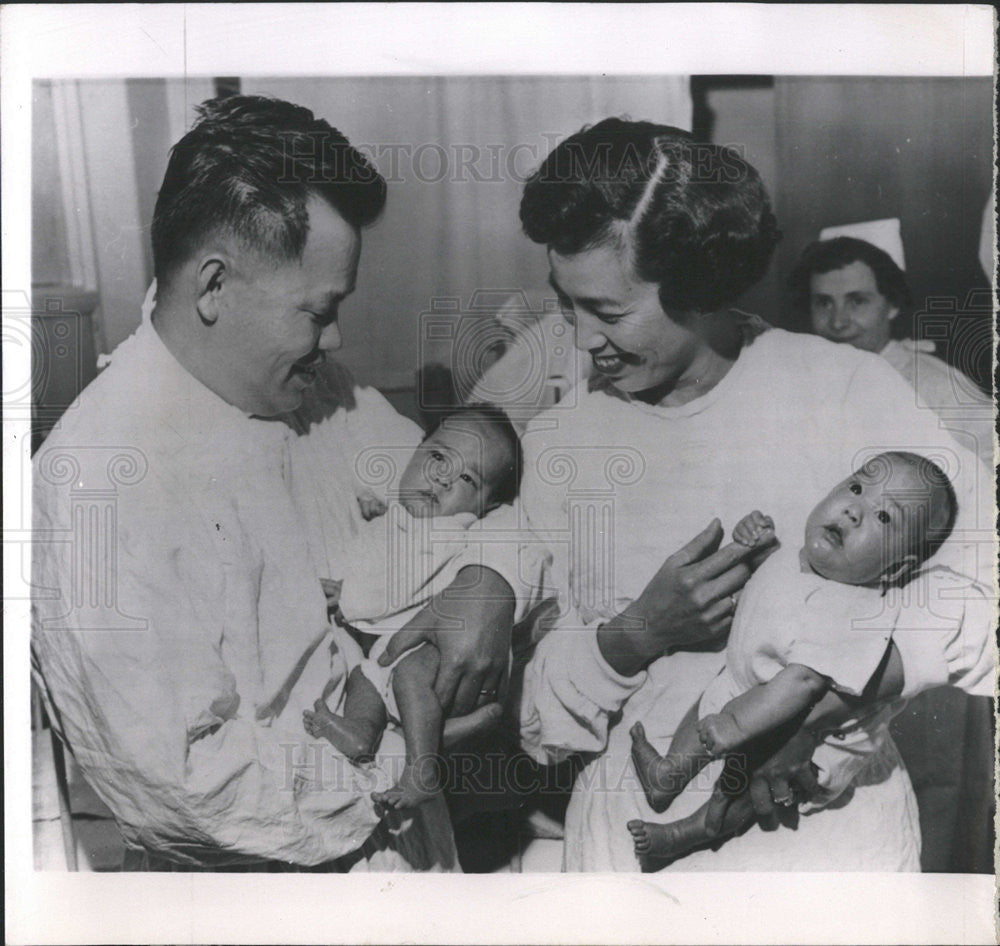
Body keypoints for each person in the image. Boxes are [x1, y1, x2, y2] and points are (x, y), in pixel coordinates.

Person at [31, 95, 519, 871]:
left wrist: (494, 579)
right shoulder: (94, 484)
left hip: (408, 862)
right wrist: (400, 761)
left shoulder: (321, 394)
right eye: (319, 311)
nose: (338, 339)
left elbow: (479, 496)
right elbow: (186, 788)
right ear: (215, 287)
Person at [515, 118, 994, 871]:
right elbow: (539, 725)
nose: (579, 340)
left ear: (702, 287)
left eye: (607, 313)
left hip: (825, 856)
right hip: (631, 862)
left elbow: (987, 592)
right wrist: (638, 634)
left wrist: (831, 701)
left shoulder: (844, 390)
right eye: (565, 303)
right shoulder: (558, 445)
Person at [627, 451, 965, 869]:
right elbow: (770, 588)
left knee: (745, 782)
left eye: (883, 518)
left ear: (896, 569)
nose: (855, 511)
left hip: (803, 726)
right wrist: (752, 545)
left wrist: (733, 725)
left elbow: (803, 683)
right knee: (704, 704)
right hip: (751, 687)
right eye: (857, 488)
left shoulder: (854, 613)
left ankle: (693, 831)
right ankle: (668, 776)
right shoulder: (804, 557)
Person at [303, 405, 541, 810]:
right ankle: (362, 734)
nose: (444, 477)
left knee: (408, 678)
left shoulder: (447, 531)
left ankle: (422, 767)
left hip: (431, 653)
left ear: (484, 508)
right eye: (437, 457)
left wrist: (349, 596)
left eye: (468, 478)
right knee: (367, 678)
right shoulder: (411, 522)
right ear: (414, 451)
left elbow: (396, 582)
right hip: (392, 652)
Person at [790, 236, 994, 468]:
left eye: (857, 301)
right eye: (824, 303)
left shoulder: (933, 385)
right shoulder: (798, 384)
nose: (838, 322)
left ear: (892, 305)